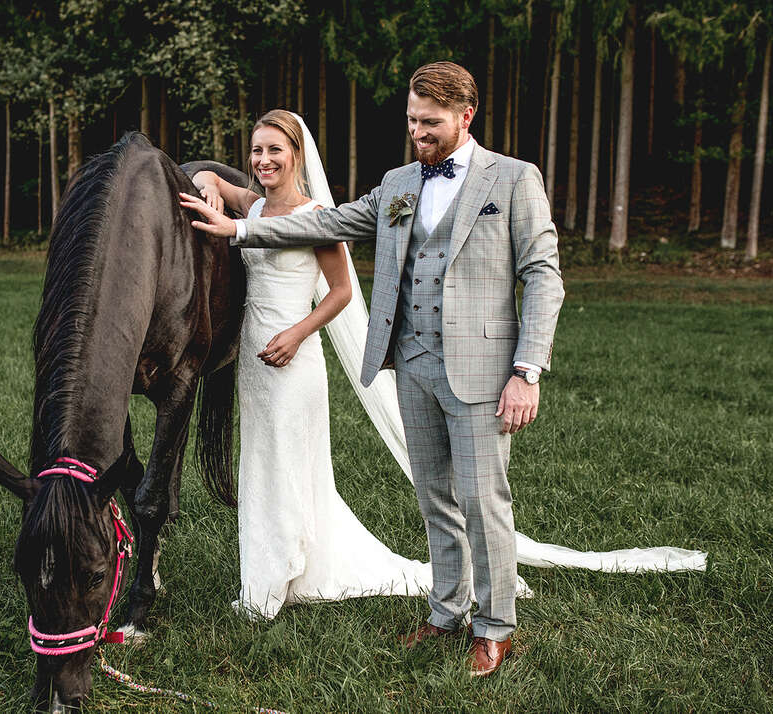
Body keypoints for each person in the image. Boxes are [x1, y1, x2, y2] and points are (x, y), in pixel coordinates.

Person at [181, 62, 565, 677]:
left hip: (484, 370)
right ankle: (445, 611)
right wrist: (243, 226)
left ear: (467, 116)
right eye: (412, 119)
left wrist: (527, 370)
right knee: (434, 497)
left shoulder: (516, 180)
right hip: (410, 363)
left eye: (430, 122)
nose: (418, 132)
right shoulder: (400, 184)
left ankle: (494, 630)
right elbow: (328, 222)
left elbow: (543, 276)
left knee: (482, 498)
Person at [191, 109, 433, 621]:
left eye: (275, 150)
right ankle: (274, 568)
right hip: (254, 360)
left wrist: (298, 334)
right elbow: (210, 176)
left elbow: (342, 292)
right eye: (256, 151)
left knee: (286, 464)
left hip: (293, 356)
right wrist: (206, 182)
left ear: (297, 155)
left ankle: (274, 581)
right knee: (260, 465)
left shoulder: (317, 215)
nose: (263, 160)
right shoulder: (253, 207)